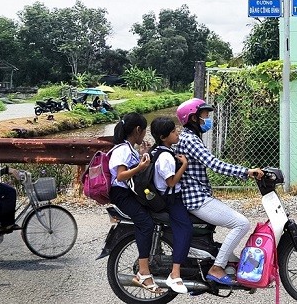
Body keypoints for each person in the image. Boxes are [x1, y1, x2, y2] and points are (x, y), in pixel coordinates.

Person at [174, 98, 263, 286]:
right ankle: (217, 267)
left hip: (199, 196)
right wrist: (246, 172)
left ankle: (226, 262)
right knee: (241, 224)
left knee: (235, 225)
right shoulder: (190, 140)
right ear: (193, 118)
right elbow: (214, 164)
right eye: (204, 115)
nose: (207, 119)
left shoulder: (188, 137)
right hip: (196, 199)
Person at [108, 113, 162, 295]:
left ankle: (154, 257)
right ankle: (143, 272)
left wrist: (143, 155)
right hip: (120, 194)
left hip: (127, 192)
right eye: (144, 131)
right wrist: (140, 167)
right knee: (145, 222)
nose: (144, 135)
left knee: (154, 216)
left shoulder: (129, 148)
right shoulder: (121, 149)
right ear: (138, 130)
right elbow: (121, 175)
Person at [150, 116, 192, 294]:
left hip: (169, 196)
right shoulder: (166, 156)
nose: (177, 134)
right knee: (185, 228)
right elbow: (171, 182)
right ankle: (175, 273)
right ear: (163, 137)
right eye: (173, 132)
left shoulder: (157, 151)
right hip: (170, 199)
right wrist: (184, 164)